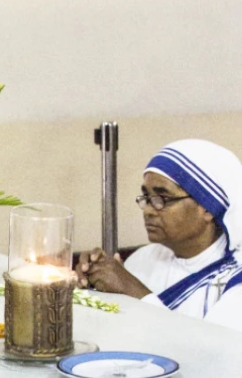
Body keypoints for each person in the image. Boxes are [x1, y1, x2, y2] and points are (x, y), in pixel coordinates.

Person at [75, 139, 242, 330]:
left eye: (163, 198)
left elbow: (214, 353)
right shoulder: (144, 259)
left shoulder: (235, 281)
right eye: (147, 197)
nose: (148, 210)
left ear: (207, 208)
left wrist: (134, 292)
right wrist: (95, 286)